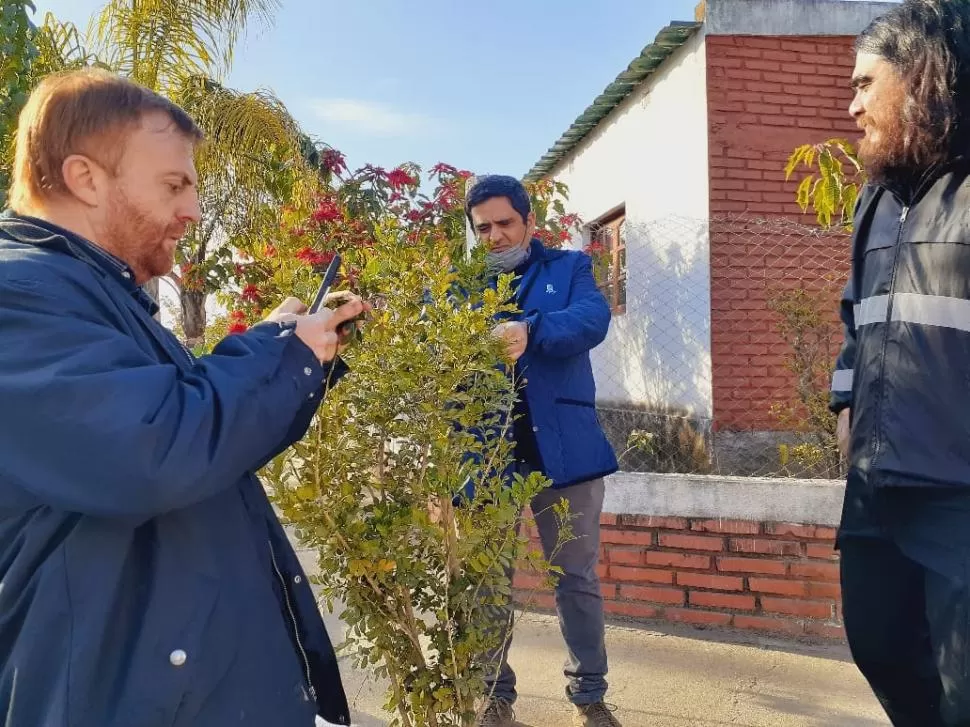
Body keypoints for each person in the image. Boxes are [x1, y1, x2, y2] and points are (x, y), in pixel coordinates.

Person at [0, 69, 368, 726]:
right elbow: (152, 447)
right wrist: (281, 353)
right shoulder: (18, 294)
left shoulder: (100, 298)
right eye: (175, 184)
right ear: (85, 178)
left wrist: (289, 349)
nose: (194, 209)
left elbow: (202, 434)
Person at [830, 1, 970, 724]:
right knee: (878, 642)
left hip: (957, 495)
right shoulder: (874, 201)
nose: (851, 105)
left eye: (863, 84)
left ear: (919, 77)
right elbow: (855, 318)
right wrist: (846, 405)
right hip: (876, 487)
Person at [465, 175, 621, 727]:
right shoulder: (459, 287)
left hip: (566, 456)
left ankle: (590, 696)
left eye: (505, 223)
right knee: (488, 579)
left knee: (575, 578)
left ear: (529, 222)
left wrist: (531, 329)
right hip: (487, 460)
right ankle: (493, 695)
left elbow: (592, 320)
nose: (494, 235)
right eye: (482, 227)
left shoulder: (570, 269)